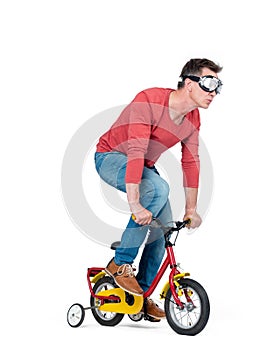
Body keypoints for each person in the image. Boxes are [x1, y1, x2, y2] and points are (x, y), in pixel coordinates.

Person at [94, 58, 223, 320]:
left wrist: (191, 209)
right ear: (189, 83)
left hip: (143, 167)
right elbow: (136, 150)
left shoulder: (193, 118)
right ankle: (121, 262)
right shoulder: (149, 100)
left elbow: (191, 161)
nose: (213, 92)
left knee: (163, 229)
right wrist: (135, 205)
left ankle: (138, 296)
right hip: (111, 157)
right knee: (159, 187)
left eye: (218, 86)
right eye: (209, 83)